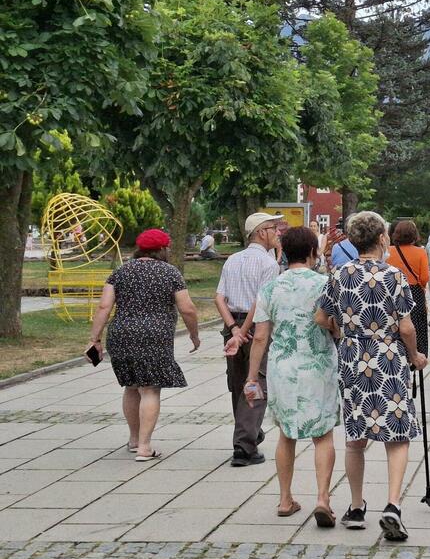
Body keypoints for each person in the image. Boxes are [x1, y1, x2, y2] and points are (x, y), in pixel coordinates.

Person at [317, 211, 428, 541]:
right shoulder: (393, 276)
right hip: (388, 357)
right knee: (398, 434)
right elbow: (406, 327)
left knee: (356, 437)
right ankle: (392, 505)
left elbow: (321, 317)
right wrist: (416, 355)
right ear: (382, 238)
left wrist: (345, 332)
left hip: (353, 358)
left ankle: (355, 507)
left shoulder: (339, 275)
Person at [243, 227, 338, 524]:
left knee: (286, 434)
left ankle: (285, 499)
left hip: (281, 367)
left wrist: (251, 377)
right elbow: (334, 326)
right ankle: (323, 498)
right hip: (318, 364)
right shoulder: (326, 284)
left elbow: (260, 337)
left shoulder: (271, 288)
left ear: (284, 252)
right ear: (312, 252)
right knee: (323, 434)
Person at [88, 229, 200, 462]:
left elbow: (103, 307)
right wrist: (194, 335)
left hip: (121, 335)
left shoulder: (120, 272)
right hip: (154, 336)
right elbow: (187, 308)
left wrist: (94, 339)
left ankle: (134, 439)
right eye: (166, 248)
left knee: (131, 386)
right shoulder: (170, 273)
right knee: (149, 389)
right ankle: (145, 447)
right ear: (161, 249)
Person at [216, 212, 283, 467]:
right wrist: (244, 331)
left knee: (237, 381)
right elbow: (260, 302)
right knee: (255, 381)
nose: (277, 233)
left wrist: (233, 329)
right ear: (261, 232)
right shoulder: (269, 265)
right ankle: (244, 447)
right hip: (256, 326)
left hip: (232, 323)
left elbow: (219, 298)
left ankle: (249, 434)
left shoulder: (233, 260)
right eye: (273, 228)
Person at [388, 220, 430, 356]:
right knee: (417, 324)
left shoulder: (388, 252)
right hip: (414, 292)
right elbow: (424, 278)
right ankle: (417, 354)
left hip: (392, 290)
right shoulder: (420, 252)